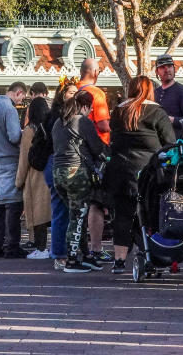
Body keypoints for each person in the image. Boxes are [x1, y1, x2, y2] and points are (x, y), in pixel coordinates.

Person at [104, 75, 175, 273]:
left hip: (120, 171)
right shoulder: (157, 112)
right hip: (148, 174)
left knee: (123, 215)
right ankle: (151, 254)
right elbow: (170, 142)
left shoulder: (119, 111)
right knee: (152, 214)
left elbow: (113, 139)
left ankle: (119, 260)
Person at [52, 90, 107, 273]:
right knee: (78, 216)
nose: (90, 111)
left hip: (58, 173)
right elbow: (98, 148)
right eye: (90, 108)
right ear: (85, 106)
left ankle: (84, 255)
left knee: (76, 215)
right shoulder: (82, 121)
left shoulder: (59, 122)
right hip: (76, 173)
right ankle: (73, 259)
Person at [0, 81, 29, 258]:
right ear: (18, 92)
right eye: (22, 98)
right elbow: (13, 136)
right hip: (10, 160)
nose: (20, 103)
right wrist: (24, 133)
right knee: (13, 205)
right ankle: (12, 246)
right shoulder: (9, 109)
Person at [76, 58, 114, 263]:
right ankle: (96, 249)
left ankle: (76, 248)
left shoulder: (71, 90)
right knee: (96, 203)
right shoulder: (96, 94)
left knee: (76, 204)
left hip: (73, 153)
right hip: (96, 152)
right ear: (95, 72)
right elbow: (103, 125)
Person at [44, 78, 78, 270]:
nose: (74, 96)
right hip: (57, 162)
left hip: (59, 163)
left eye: (76, 92)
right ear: (62, 94)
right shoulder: (58, 117)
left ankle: (66, 251)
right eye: (71, 92)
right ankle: (59, 253)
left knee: (69, 209)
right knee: (61, 208)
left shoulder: (64, 115)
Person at [16, 107, 52, 259]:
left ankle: (40, 247)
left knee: (37, 215)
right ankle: (54, 248)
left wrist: (19, 181)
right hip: (49, 173)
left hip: (35, 176)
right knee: (51, 214)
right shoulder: (50, 126)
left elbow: (24, 159)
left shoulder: (29, 131)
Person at [154, 54, 183, 139]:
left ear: (174, 69)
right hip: (157, 145)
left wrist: (171, 120)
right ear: (157, 71)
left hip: (176, 146)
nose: (167, 70)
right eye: (162, 67)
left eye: (169, 66)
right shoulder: (155, 93)